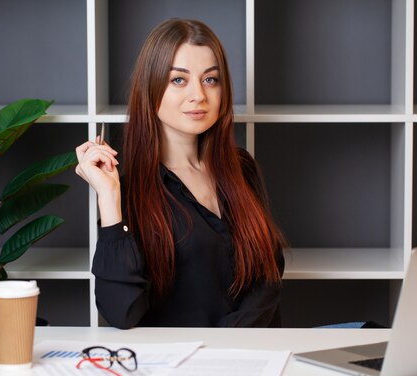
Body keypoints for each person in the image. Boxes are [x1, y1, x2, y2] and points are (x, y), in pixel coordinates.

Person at [75, 18, 285, 329]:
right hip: (177, 369)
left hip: (252, 358)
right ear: (151, 87)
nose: (199, 95)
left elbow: (267, 275)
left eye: (210, 80)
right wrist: (109, 197)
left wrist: (231, 347)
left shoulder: (242, 168)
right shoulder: (129, 189)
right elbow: (121, 312)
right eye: (179, 80)